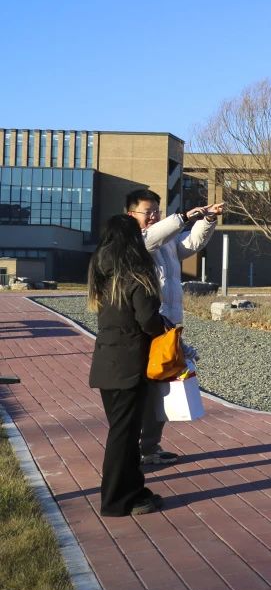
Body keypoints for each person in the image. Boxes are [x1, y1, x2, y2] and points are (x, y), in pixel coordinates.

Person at [126, 189, 222, 466]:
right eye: (148, 212)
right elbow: (150, 238)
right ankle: (134, 450)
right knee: (144, 391)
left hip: (169, 326)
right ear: (131, 215)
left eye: (157, 211)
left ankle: (150, 448)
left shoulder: (166, 240)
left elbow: (190, 243)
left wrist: (208, 220)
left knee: (162, 387)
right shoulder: (134, 241)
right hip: (148, 328)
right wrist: (181, 217)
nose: (154, 216)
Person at [87, 215, 168, 516]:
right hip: (130, 364)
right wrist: (163, 326)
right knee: (123, 436)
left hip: (106, 362)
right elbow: (148, 321)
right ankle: (115, 500)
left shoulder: (101, 272)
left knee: (124, 432)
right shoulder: (136, 275)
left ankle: (134, 492)